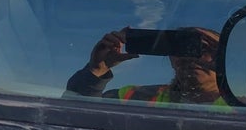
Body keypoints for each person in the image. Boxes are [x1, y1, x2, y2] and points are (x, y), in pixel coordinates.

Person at [65, 26, 227, 105]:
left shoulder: (240, 108)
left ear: (222, 56)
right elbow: (72, 118)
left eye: (205, 48)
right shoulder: (133, 97)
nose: (189, 57)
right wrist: (96, 70)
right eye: (179, 48)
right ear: (170, 57)